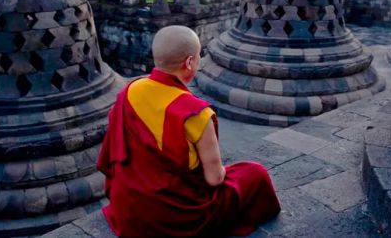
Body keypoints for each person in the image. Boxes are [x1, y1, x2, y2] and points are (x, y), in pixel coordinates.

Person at [97, 25, 281, 237]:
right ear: (190, 62)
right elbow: (215, 179)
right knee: (255, 173)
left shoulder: (130, 90)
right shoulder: (196, 114)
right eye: (199, 56)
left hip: (128, 209)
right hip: (176, 217)